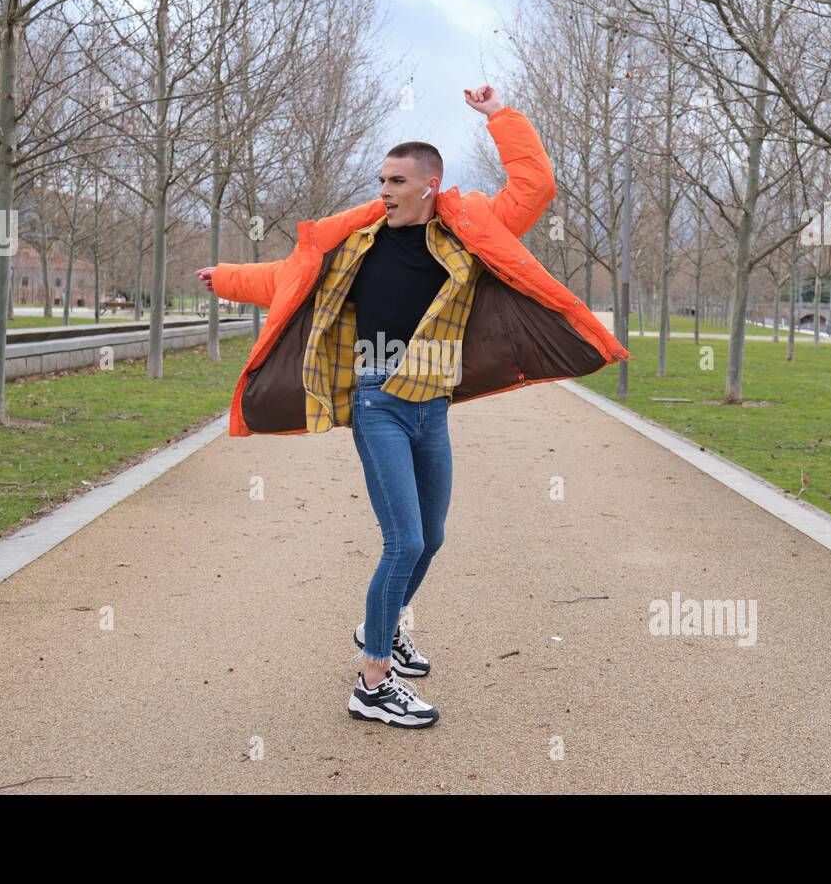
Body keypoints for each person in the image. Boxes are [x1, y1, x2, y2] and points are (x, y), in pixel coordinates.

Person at [197, 85, 629, 730]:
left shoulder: (467, 231)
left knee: (431, 539)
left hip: (433, 405)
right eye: (381, 179)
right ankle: (372, 683)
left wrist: (499, 117)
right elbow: (288, 278)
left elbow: (535, 186)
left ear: (431, 185)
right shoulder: (357, 242)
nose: (384, 190)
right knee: (402, 541)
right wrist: (227, 279)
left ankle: (386, 625)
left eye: (396, 180)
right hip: (380, 401)